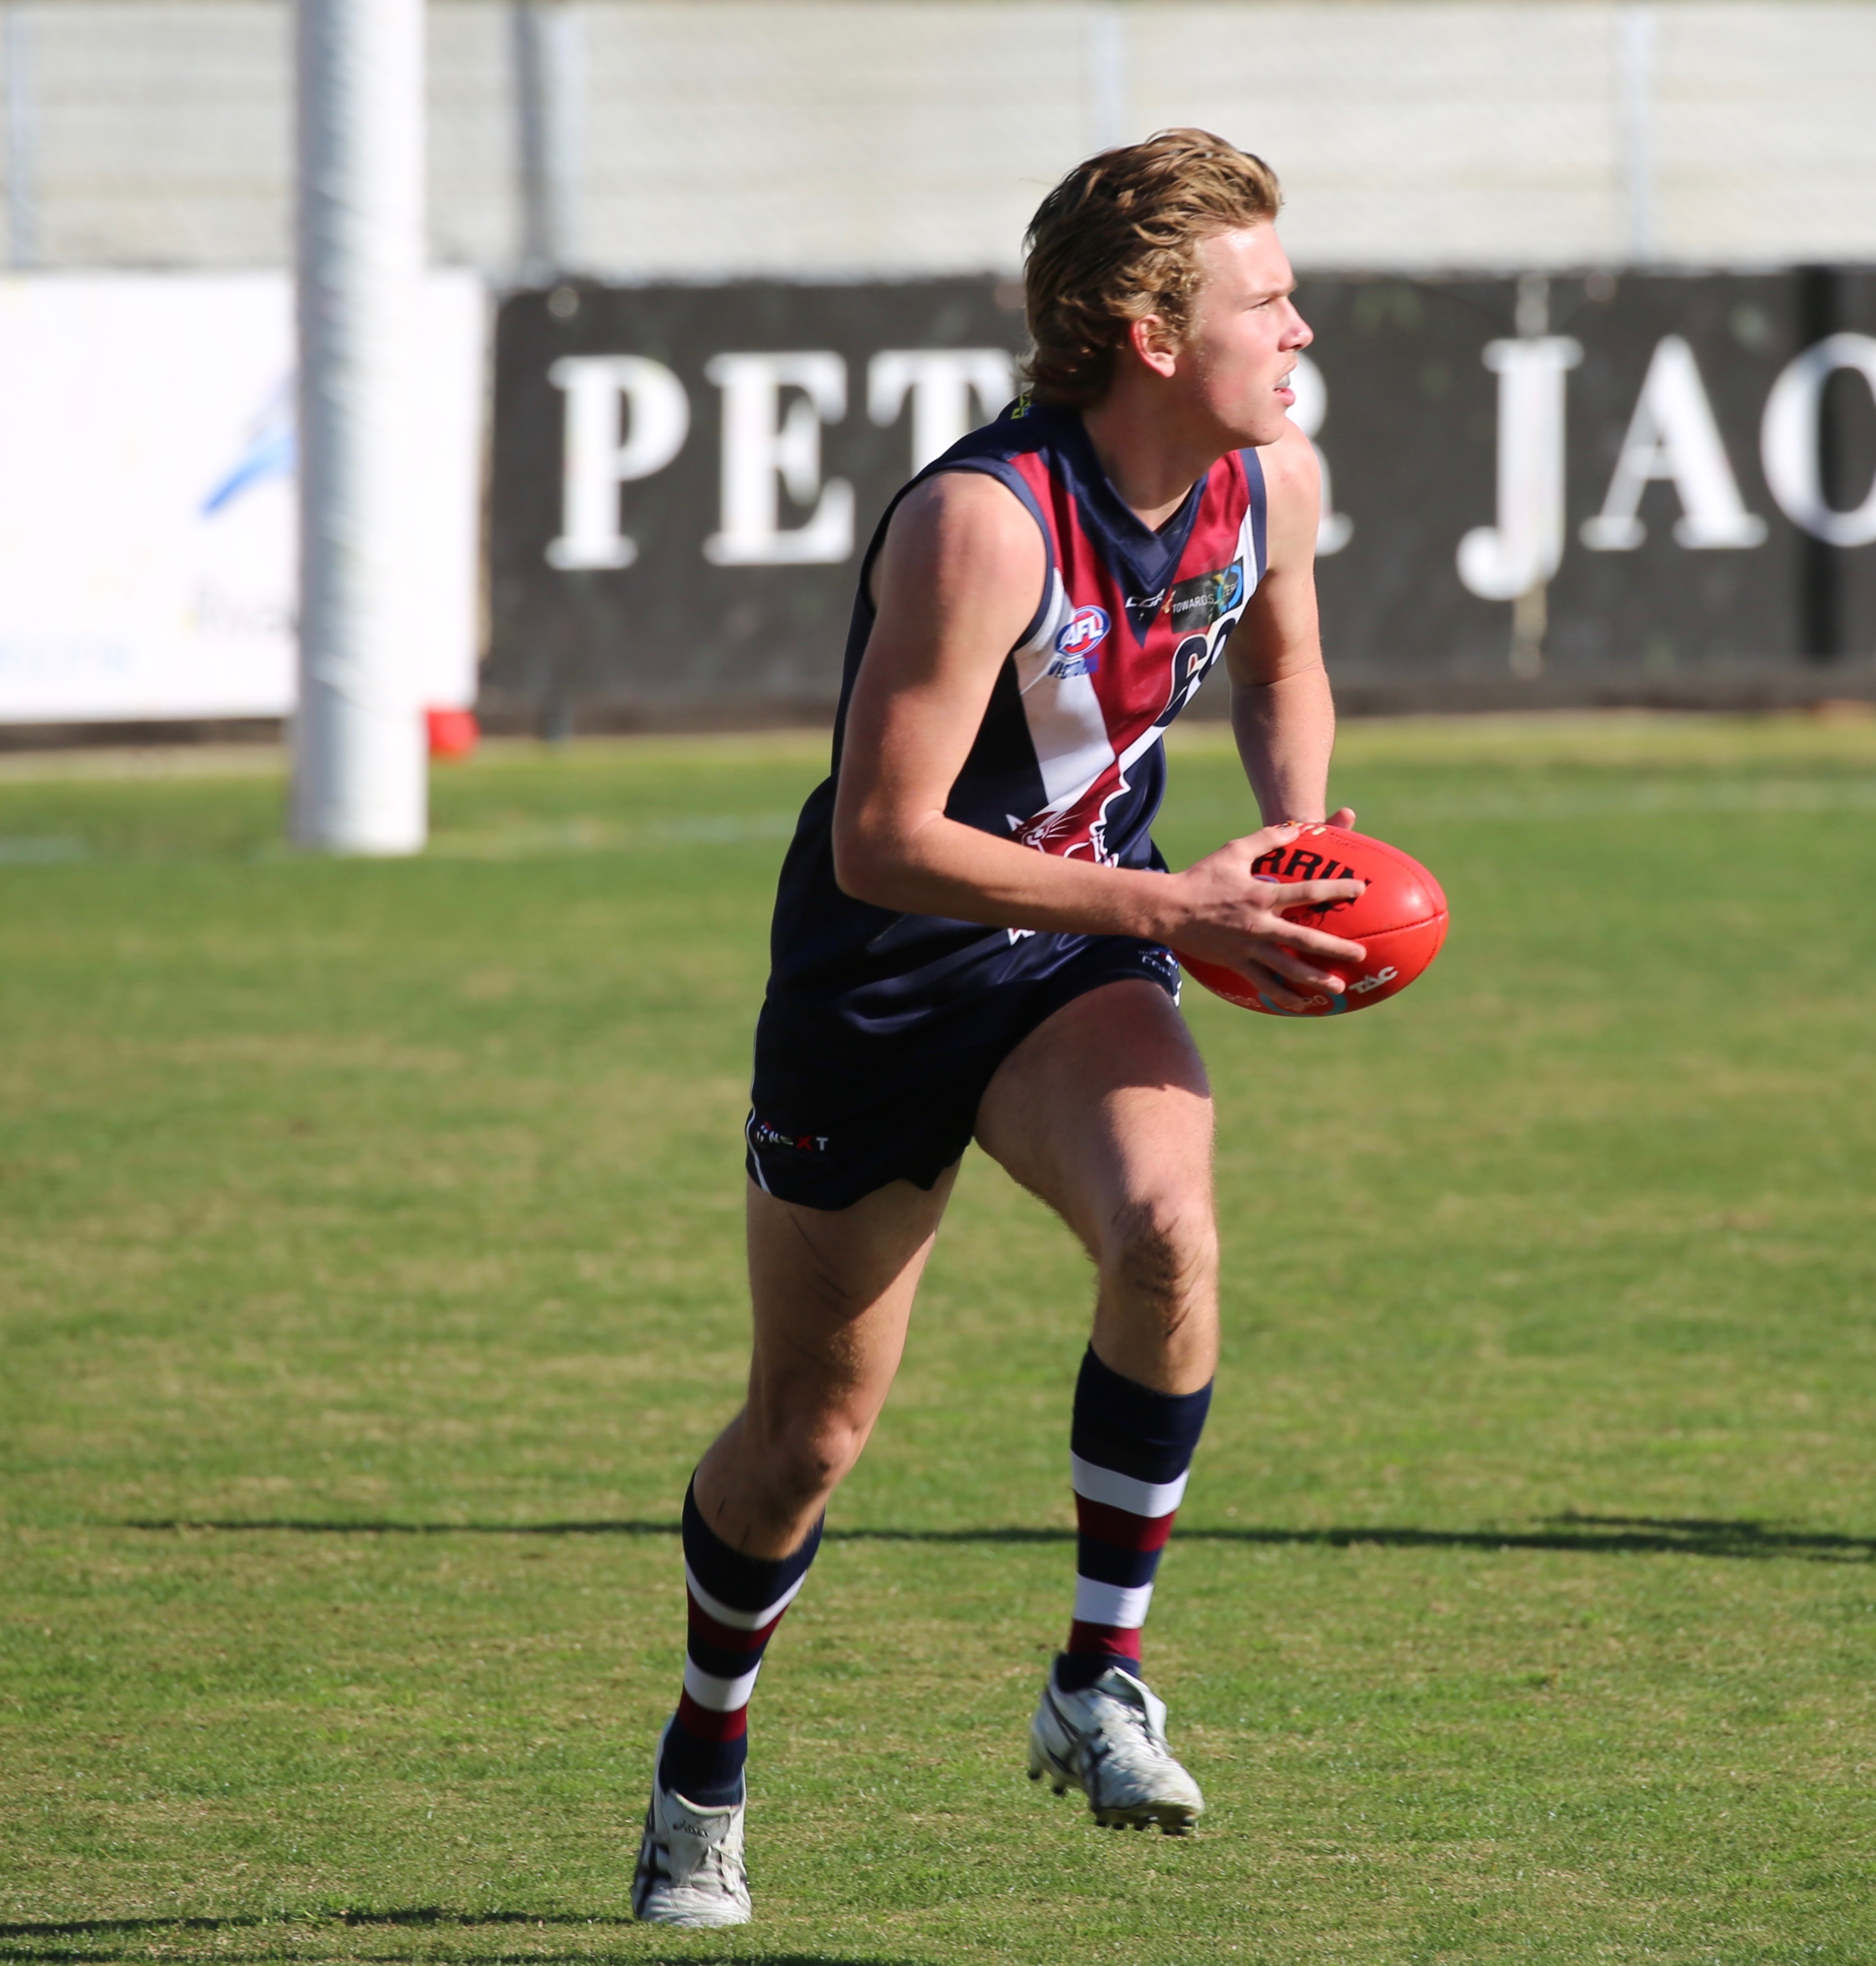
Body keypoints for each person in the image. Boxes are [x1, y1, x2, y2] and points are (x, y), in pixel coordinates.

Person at [629, 130, 1372, 1924]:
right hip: (881, 988)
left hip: (1073, 960)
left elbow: (1282, 666)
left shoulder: (1273, 482)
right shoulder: (983, 521)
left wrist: (1300, 848)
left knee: (1168, 1229)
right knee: (806, 1437)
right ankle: (703, 1761)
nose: (1299, 328)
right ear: (1149, 333)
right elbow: (882, 841)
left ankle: (1097, 1675)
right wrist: (1177, 905)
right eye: (1266, 300)